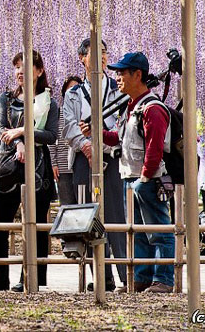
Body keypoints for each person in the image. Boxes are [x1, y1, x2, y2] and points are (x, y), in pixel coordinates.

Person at [93, 51, 174, 293]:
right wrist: (94, 132)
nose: (117, 78)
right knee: (137, 231)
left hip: (148, 180)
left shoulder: (153, 109)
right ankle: (141, 277)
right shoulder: (131, 107)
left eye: (122, 73)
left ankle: (163, 279)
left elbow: (155, 147)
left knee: (158, 230)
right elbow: (118, 139)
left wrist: (146, 177)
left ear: (137, 75)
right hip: (130, 177)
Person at [63, 38, 127, 291]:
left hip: (112, 157)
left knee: (116, 215)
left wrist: (101, 143)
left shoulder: (118, 88)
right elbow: (69, 126)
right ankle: (101, 275)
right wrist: (87, 146)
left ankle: (125, 272)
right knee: (87, 216)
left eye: (104, 53)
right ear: (82, 58)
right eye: (94, 53)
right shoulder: (74, 93)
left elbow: (124, 124)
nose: (100, 57)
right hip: (83, 159)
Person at [0, 49, 59, 292]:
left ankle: (33, 278)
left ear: (39, 71)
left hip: (38, 169)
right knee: (0, 223)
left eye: (27, 66)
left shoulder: (49, 103)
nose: (21, 71)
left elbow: (51, 135)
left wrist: (22, 132)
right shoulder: (6, 98)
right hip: (8, 166)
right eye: (18, 66)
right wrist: (18, 142)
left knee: (37, 225)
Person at [53, 75, 83, 206]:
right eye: (70, 88)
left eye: (76, 88)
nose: (72, 91)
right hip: (63, 166)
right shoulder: (58, 112)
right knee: (67, 205)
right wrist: (53, 163)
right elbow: (52, 139)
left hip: (80, 163)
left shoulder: (85, 112)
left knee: (83, 204)